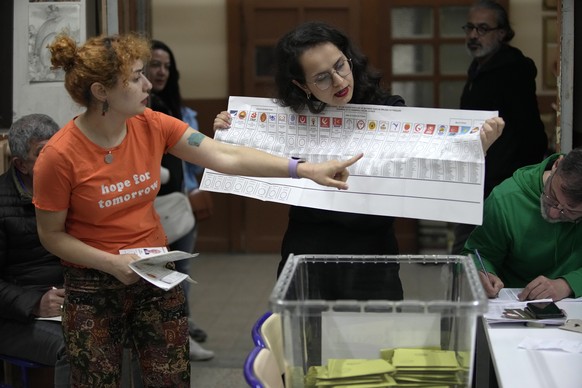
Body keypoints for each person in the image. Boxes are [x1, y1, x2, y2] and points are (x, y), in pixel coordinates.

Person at [35, 32, 360, 387]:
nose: (148, 84)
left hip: (153, 270)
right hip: (92, 283)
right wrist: (110, 263)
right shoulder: (59, 156)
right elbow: (51, 236)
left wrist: (306, 169)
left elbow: (224, 155)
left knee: (171, 378)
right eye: (135, 77)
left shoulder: (152, 124)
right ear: (101, 92)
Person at [213, 21, 504, 300]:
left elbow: (430, 157)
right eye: (322, 77)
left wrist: (476, 147)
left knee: (374, 343)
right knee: (303, 343)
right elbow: (247, 157)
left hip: (372, 249)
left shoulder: (389, 110)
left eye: (340, 65)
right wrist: (232, 131)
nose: (339, 81)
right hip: (307, 246)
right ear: (302, 85)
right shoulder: (289, 119)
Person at [451, 0, 548, 253]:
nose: (473, 35)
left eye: (483, 29)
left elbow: (530, 132)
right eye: (470, 27)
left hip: (499, 179)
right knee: (467, 245)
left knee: (476, 250)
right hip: (476, 171)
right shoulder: (480, 65)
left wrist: (516, 182)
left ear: (502, 33)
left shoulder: (513, 69)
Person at [146, 39, 213, 360]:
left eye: (167, 66)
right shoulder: (140, 109)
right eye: (154, 64)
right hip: (151, 211)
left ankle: (182, 333)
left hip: (179, 205)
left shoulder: (175, 107)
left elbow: (197, 155)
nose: (160, 72)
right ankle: (173, 340)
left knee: (181, 275)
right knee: (160, 282)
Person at [0, 114, 68, 388]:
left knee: (125, 336)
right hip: (15, 317)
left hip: (70, 305)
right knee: (77, 349)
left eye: (59, 149)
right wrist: (34, 302)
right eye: (43, 154)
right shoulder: (3, 203)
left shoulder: (71, 189)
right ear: (21, 165)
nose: (57, 160)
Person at [462, 147, 582, 302]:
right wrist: (483, 274)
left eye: (570, 212)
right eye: (552, 196)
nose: (553, 213)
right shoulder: (506, 199)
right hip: (514, 304)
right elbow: (479, 255)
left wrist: (568, 284)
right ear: (556, 165)